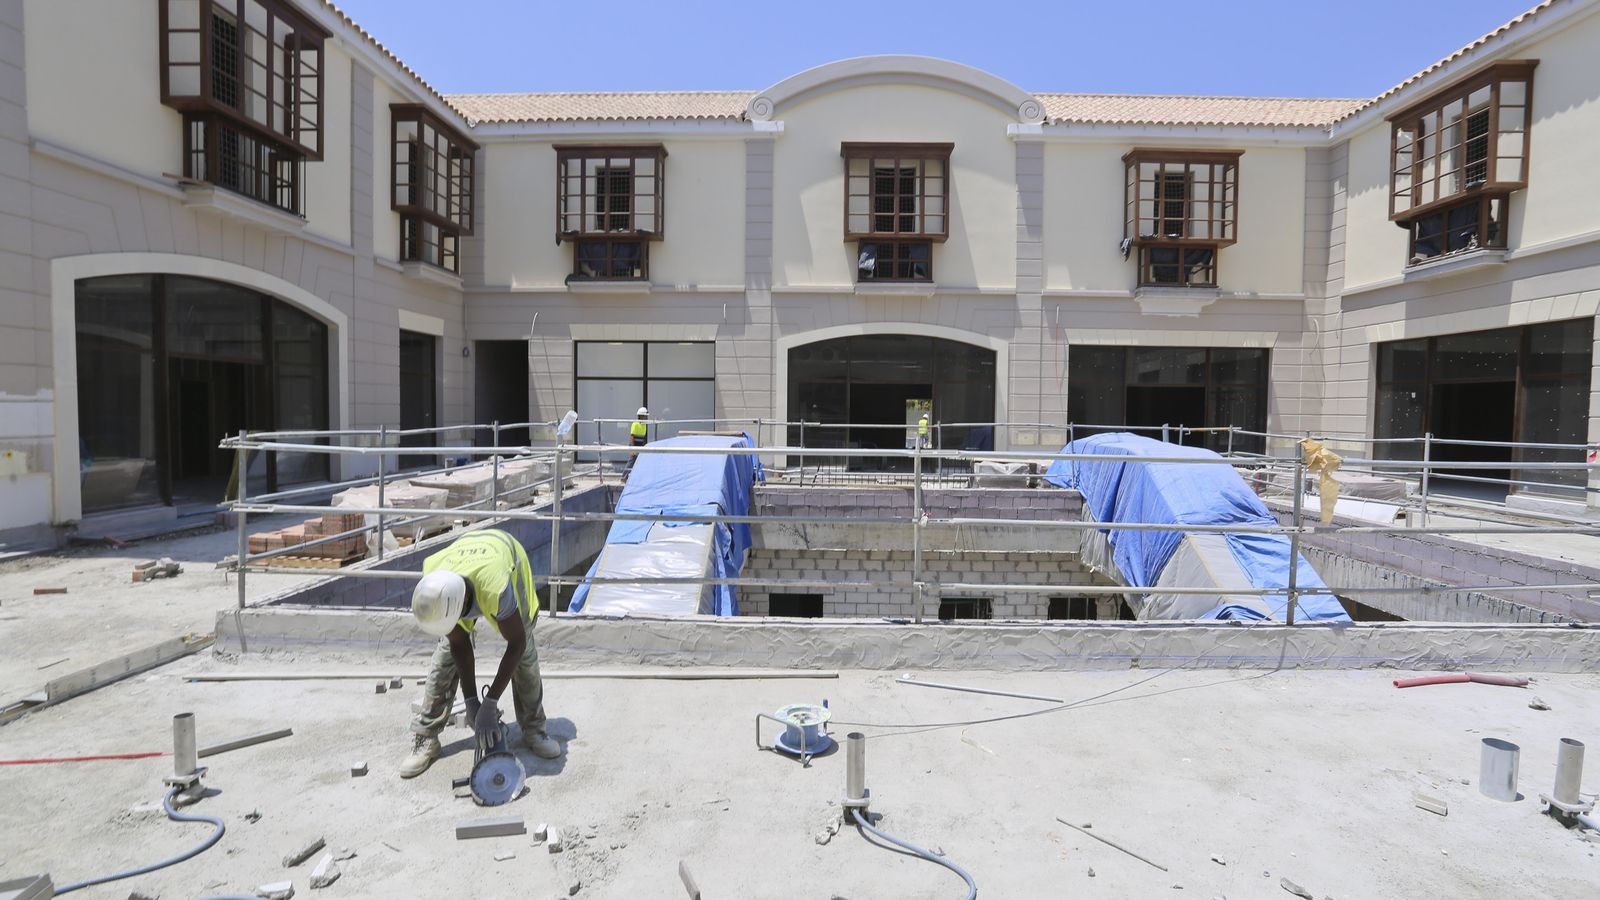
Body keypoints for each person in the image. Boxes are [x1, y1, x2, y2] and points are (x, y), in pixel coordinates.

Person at [400, 528, 561, 778]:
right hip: (464, 564)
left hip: (506, 560)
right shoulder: (435, 582)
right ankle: (426, 737)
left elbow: (515, 644)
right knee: (444, 659)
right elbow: (459, 645)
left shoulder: (496, 587)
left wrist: (491, 702)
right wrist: (472, 701)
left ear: (461, 605)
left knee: (525, 654)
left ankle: (534, 729)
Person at [624, 406, 649, 477]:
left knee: (639, 461)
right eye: (645, 416)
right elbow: (632, 436)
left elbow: (643, 437)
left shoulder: (644, 425)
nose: (647, 418)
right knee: (632, 460)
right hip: (634, 444)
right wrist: (632, 449)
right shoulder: (635, 424)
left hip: (640, 445)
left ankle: (637, 476)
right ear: (641, 416)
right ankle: (624, 476)